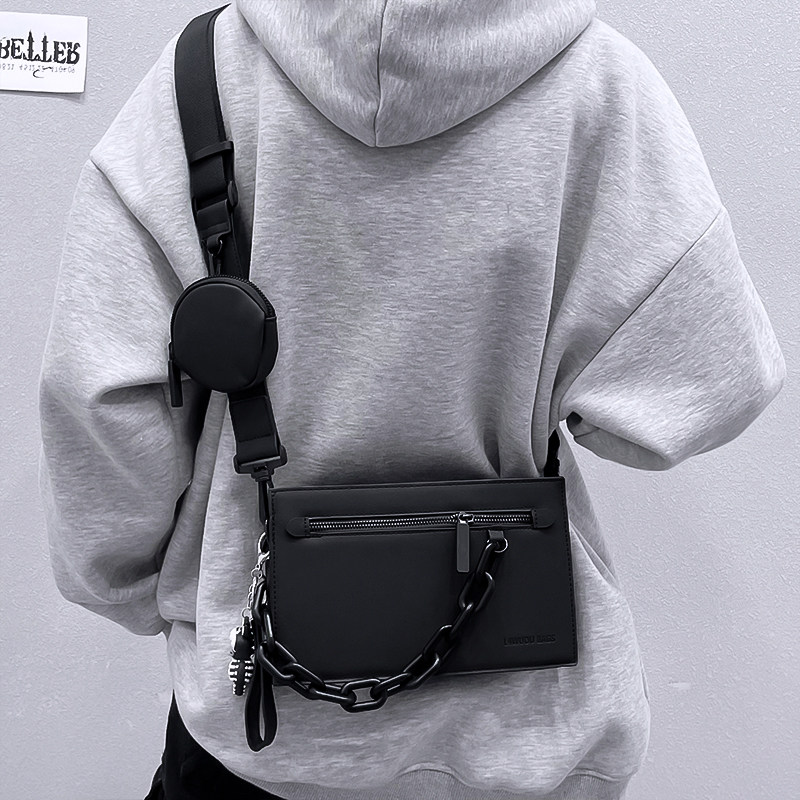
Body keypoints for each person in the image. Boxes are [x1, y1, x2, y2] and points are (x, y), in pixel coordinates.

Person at [37, 2, 786, 799]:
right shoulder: (600, 86)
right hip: (526, 743)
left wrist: (150, 591)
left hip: (259, 745)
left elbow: (100, 408)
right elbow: (712, 380)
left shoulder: (196, 84)